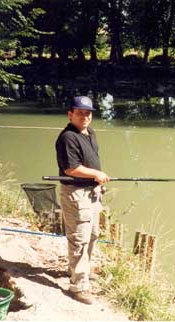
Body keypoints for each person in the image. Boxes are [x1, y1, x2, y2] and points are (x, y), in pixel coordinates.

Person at [55, 96, 110, 304]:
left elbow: (90, 161)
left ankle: (82, 271)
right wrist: (96, 173)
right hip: (76, 195)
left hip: (92, 192)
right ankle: (78, 286)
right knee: (79, 238)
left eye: (88, 113)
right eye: (80, 113)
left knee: (93, 234)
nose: (85, 116)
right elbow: (71, 169)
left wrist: (98, 180)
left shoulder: (89, 133)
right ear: (70, 114)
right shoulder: (67, 137)